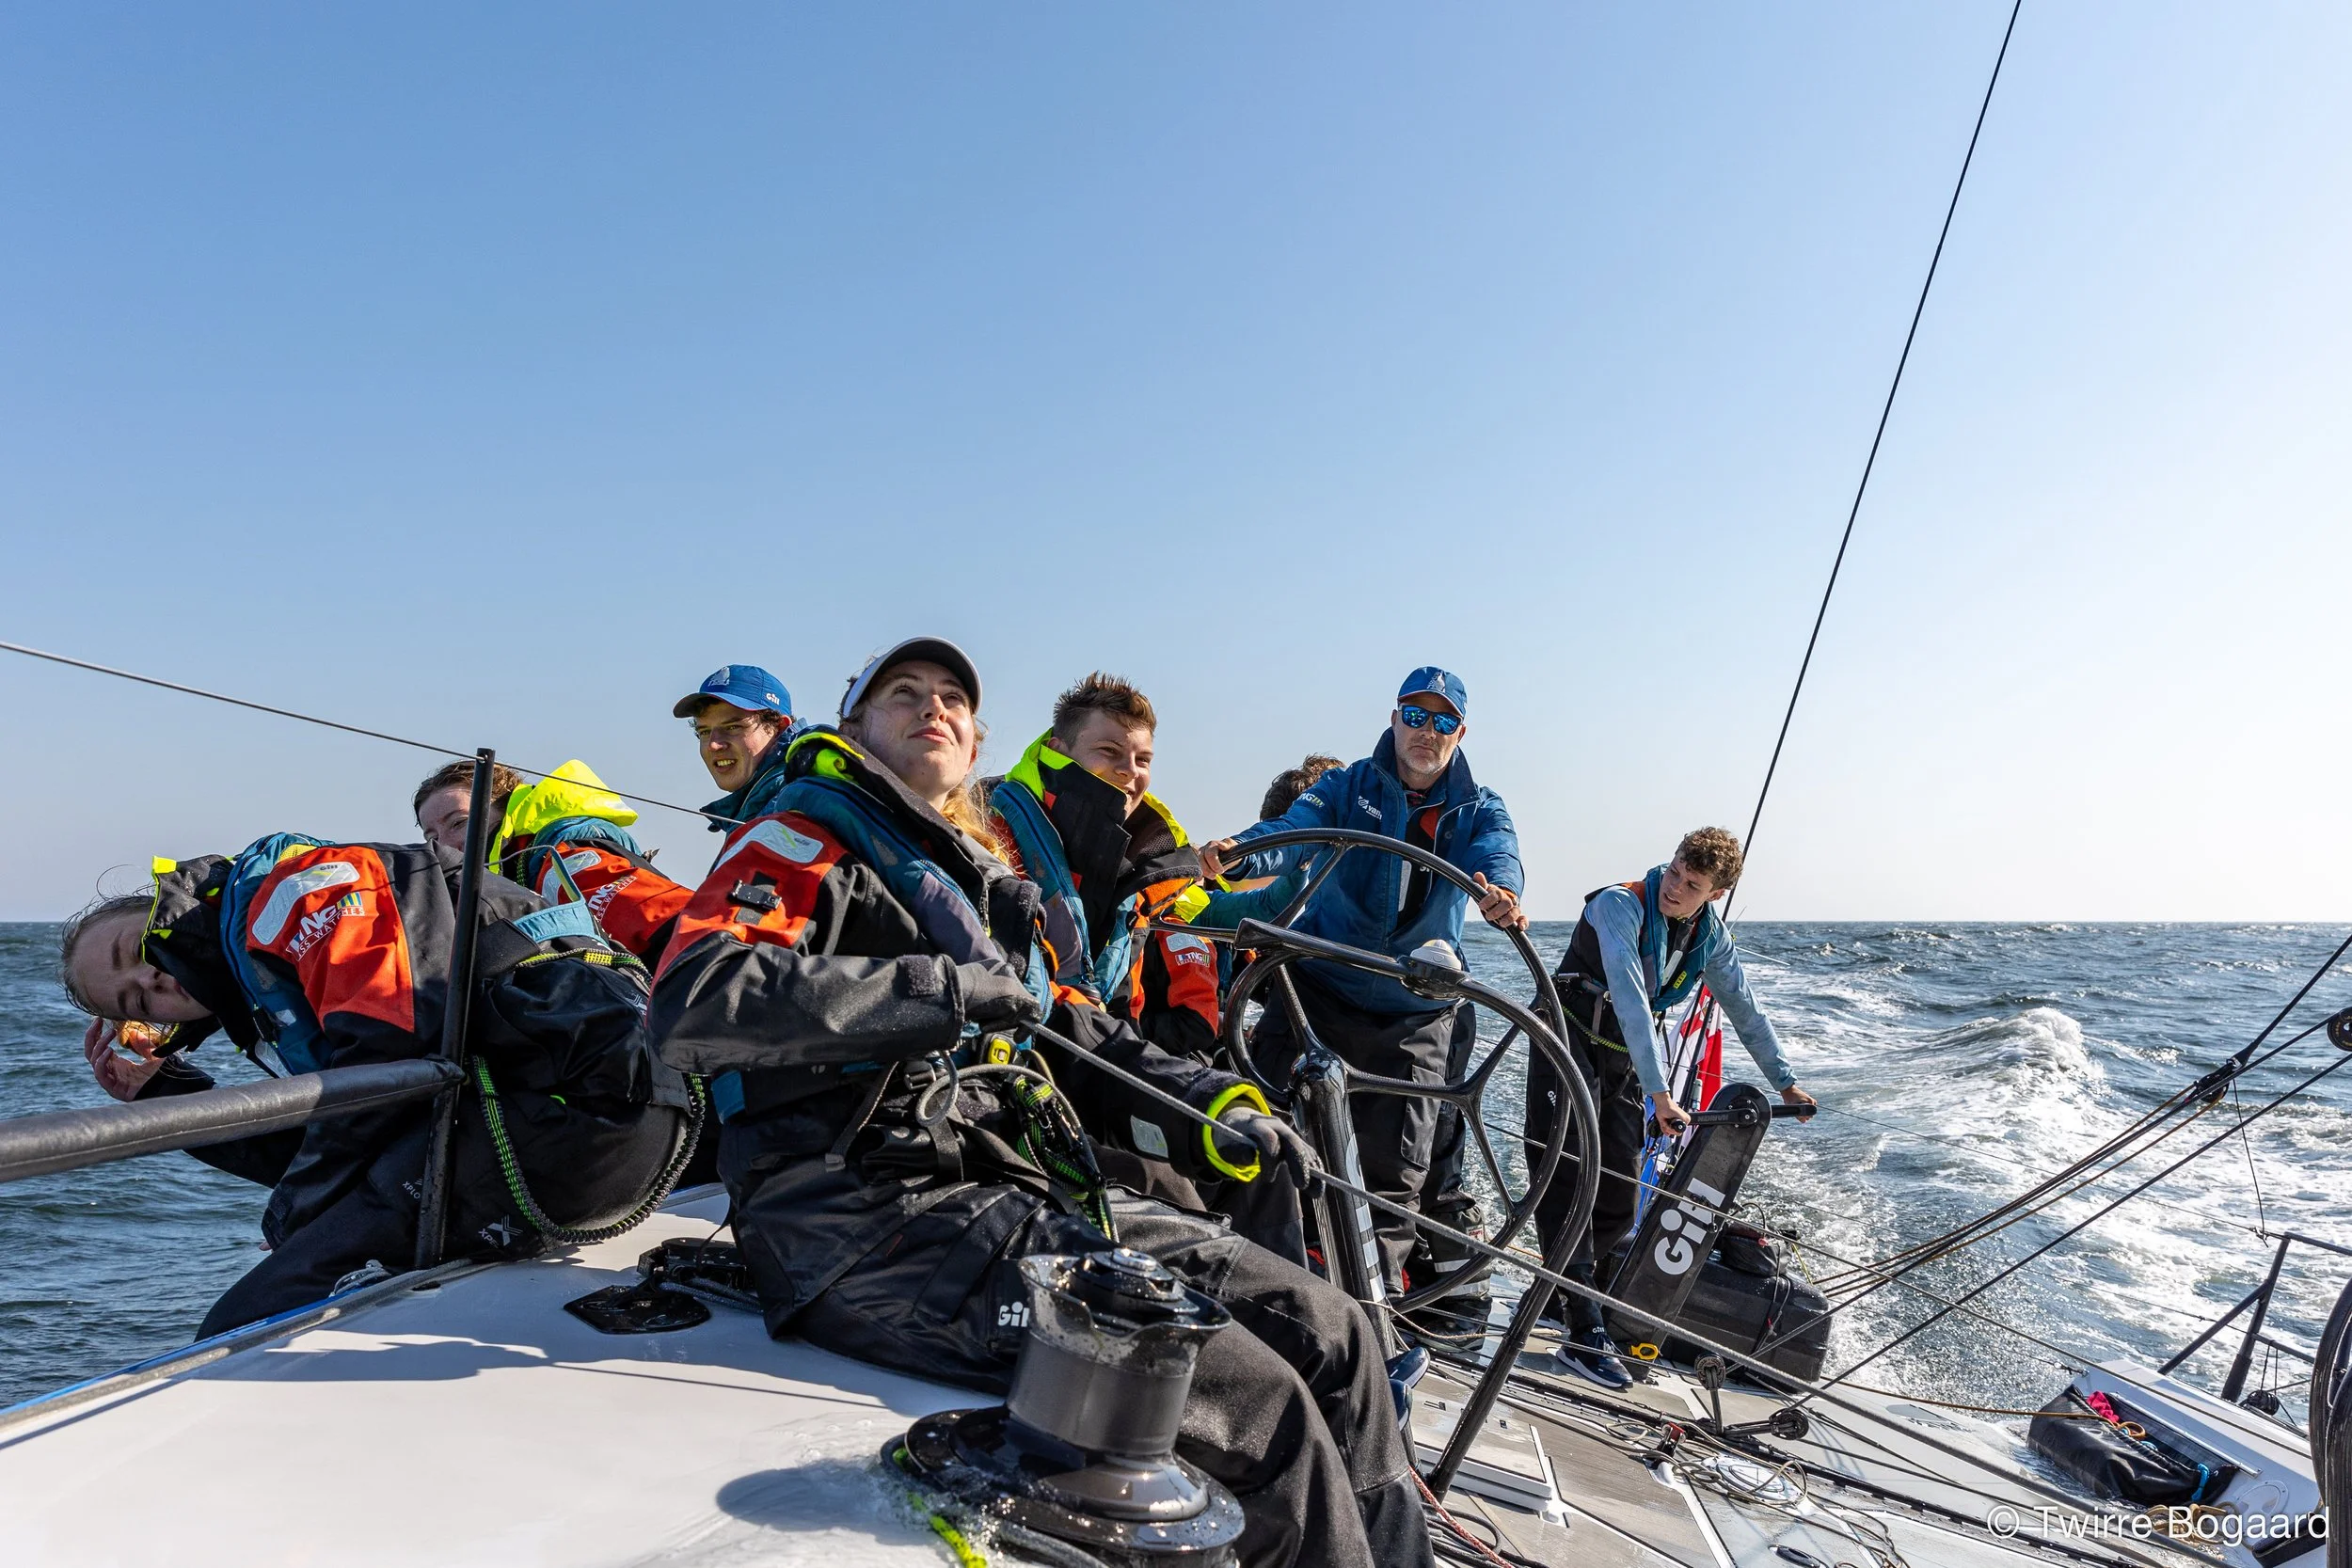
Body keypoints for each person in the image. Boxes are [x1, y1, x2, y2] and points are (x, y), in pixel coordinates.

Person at [650, 638, 1432, 1568]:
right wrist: (936, 990)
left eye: (953, 697)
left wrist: (1215, 1106)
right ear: (853, 727)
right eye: (904, 692)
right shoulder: (798, 843)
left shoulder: (974, 888)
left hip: (998, 1196)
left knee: (1335, 1332)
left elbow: (1068, 1030)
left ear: (975, 743)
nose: (933, 706)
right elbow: (694, 998)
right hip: (856, 1221)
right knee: (1265, 1404)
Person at [59, 834, 696, 1338]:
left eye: (131, 952)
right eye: (135, 1000)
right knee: (302, 1270)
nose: (150, 981)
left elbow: (388, 1056)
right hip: (590, 1125)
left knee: (239, 1328)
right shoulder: (264, 988)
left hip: (578, 1108)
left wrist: (293, 1220)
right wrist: (166, 1094)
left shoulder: (302, 888)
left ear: (165, 905)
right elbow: (331, 1144)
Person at [1200, 668, 1524, 1291]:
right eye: (1416, 715)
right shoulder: (1346, 786)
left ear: (1461, 733)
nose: (1427, 731)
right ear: (1395, 718)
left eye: (1444, 721)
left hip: (1414, 1018)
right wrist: (1238, 853)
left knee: (1393, 1178)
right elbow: (1293, 834)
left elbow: (1498, 853)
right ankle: (1241, 1279)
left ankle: (1364, 1309)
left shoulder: (1480, 808)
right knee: (1260, 1139)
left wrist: (1503, 891)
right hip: (1319, 997)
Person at [984, 673, 1304, 1262]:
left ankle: (1316, 1298)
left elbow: (1221, 912)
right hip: (1029, 1079)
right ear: (1058, 751)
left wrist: (1298, 879)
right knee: (1177, 1195)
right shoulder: (992, 836)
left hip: (1108, 1057)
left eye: (1142, 759)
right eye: (1108, 752)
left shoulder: (1144, 862)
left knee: (1268, 1151)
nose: (1129, 773)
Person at [1524, 826, 1816, 1389]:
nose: (1675, 887)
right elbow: (1631, 997)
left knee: (1618, 1195)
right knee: (1567, 1178)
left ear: (1716, 894)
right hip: (1567, 1040)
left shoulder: (1711, 938)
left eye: (1693, 884)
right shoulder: (1619, 905)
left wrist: (1786, 1084)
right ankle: (1583, 1328)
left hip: (1624, 1059)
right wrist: (1661, 1095)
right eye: (1676, 870)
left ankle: (1561, 1299)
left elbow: (1745, 1008)